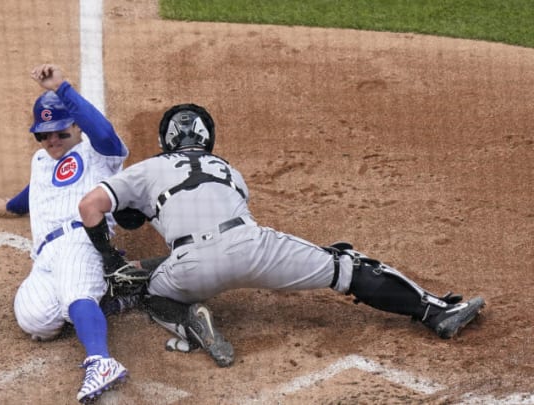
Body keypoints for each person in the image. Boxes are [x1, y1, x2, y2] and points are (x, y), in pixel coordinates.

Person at [77, 103, 486, 368]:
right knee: (347, 265)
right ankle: (436, 312)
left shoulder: (149, 168)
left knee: (154, 292)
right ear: (207, 142)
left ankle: (189, 321)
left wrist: (113, 260)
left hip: (189, 268)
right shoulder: (229, 172)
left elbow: (89, 207)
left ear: (166, 142)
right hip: (253, 248)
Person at [0, 64, 131, 403]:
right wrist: (11, 206)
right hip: (44, 254)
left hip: (81, 238)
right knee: (35, 320)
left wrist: (62, 88)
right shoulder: (41, 160)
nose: (52, 140)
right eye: (44, 133)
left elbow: (105, 131)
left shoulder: (98, 153)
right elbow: (39, 189)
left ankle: (101, 361)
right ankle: (109, 297)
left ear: (75, 127)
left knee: (75, 293)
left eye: (60, 132)